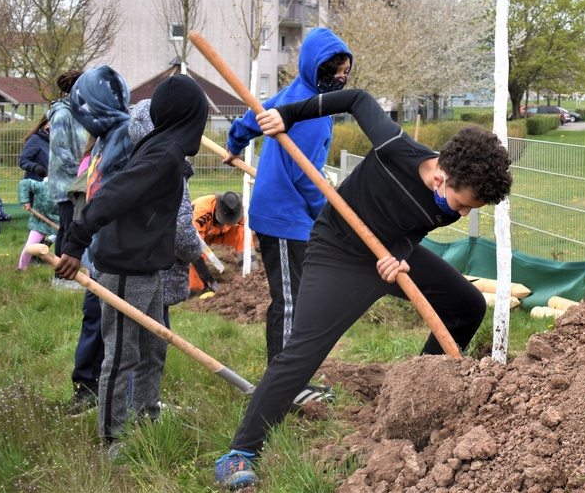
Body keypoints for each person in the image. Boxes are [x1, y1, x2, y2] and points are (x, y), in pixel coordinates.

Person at [214, 88, 512, 489]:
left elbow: (412, 231)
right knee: (303, 352)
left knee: (468, 305)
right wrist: (287, 115)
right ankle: (239, 454)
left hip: (387, 257)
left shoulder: (445, 201)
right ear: (441, 176)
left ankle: (418, 396)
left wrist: (401, 255)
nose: (460, 214)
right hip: (338, 252)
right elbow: (356, 99)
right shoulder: (394, 146)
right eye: (462, 205)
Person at [55, 75, 209, 450]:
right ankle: (114, 438)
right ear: (191, 117)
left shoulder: (164, 147)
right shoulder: (162, 155)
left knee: (154, 347)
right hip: (125, 267)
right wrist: (76, 242)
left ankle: (146, 417)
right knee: (122, 355)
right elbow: (112, 196)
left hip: (150, 266)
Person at [223, 27, 353, 365]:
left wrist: (234, 144)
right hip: (285, 217)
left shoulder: (290, 94)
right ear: (315, 67)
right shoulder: (314, 116)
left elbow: (251, 119)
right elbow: (303, 177)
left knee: (298, 296)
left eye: (345, 72)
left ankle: (291, 376)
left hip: (286, 213)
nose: (340, 79)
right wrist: (326, 213)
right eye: (334, 71)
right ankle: (282, 381)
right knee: (290, 301)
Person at [63, 65, 134, 415]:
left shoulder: (124, 136)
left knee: (110, 324)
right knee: (95, 318)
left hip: (115, 251)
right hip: (96, 249)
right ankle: (87, 385)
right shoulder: (106, 138)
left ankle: (108, 393)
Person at [127, 99, 204, 329]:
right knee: (154, 343)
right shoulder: (171, 170)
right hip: (158, 274)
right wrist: (195, 249)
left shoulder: (132, 162)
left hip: (127, 271)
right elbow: (181, 231)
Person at [48, 71, 89, 260]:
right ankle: (61, 275)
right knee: (66, 228)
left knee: (69, 226)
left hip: (76, 180)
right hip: (65, 183)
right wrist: (78, 172)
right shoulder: (62, 114)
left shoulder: (78, 113)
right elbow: (59, 148)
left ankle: (64, 273)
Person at [188, 191, 247, 294]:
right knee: (196, 255)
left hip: (217, 231)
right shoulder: (201, 212)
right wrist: (210, 280)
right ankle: (197, 288)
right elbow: (193, 247)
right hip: (196, 233)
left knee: (244, 233)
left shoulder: (237, 209)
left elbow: (245, 226)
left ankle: (249, 273)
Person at [15, 176, 59, 270]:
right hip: (39, 221)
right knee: (29, 247)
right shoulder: (42, 186)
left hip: (59, 222)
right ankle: (21, 268)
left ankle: (64, 271)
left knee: (67, 244)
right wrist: (25, 201)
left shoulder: (66, 189)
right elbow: (24, 184)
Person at [19, 116, 51, 181]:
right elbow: (23, 160)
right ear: (46, 124)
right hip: (36, 184)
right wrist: (35, 167)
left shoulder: (59, 142)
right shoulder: (35, 139)